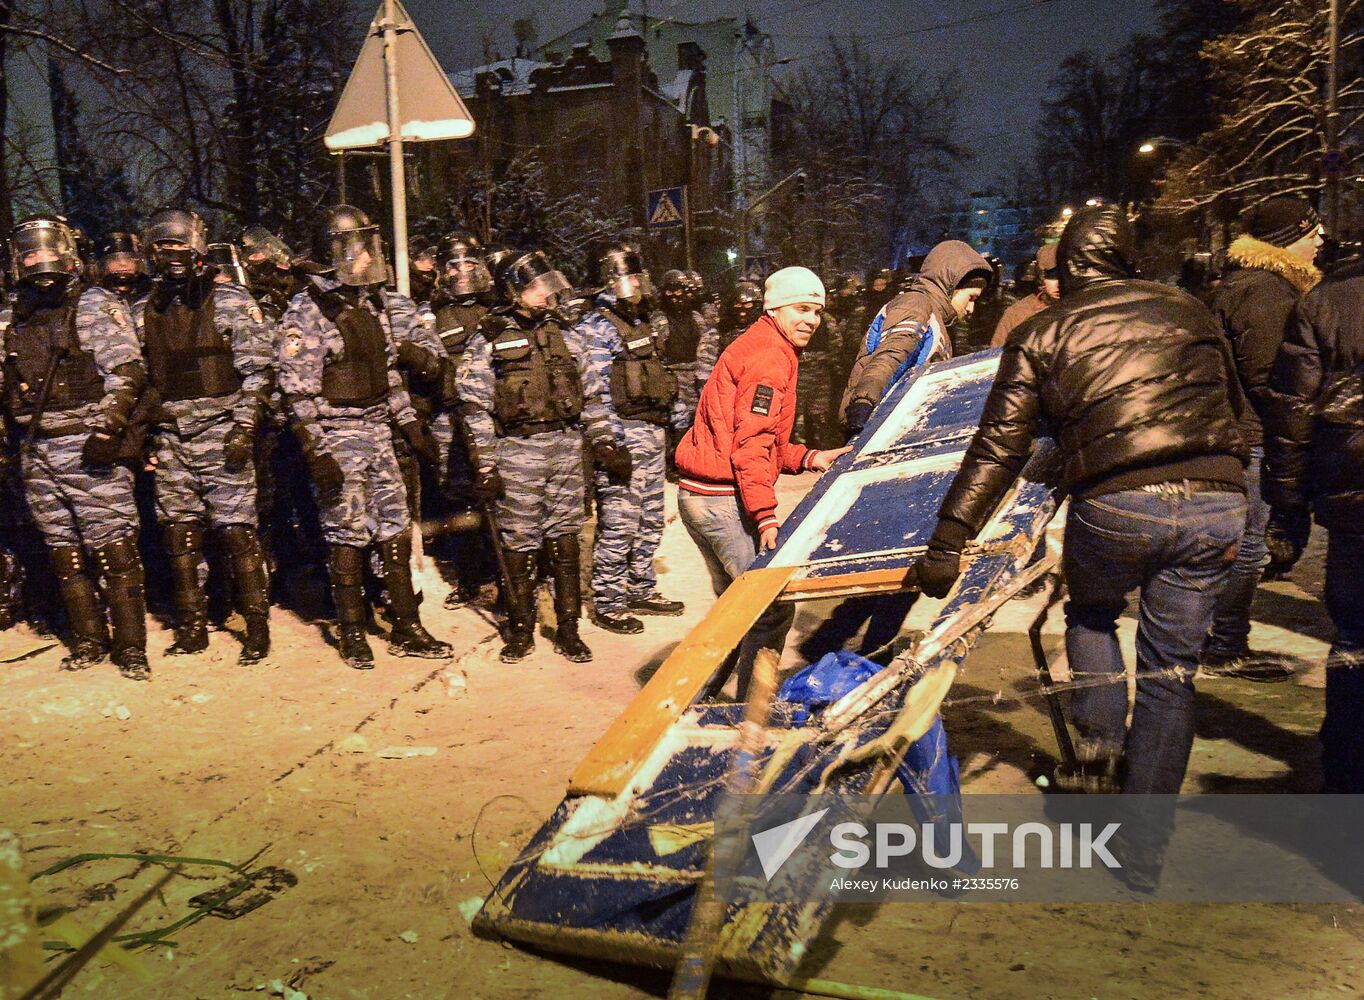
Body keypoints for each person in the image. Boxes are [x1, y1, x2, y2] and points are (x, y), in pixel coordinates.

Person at [908, 206, 1247, 886]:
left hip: (1120, 501)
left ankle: (1098, 755)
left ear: (1066, 270)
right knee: (1171, 671)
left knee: (1092, 611)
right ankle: (1143, 849)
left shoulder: (1044, 331)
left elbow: (998, 446)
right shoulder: (1190, 308)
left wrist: (949, 540)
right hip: (1218, 499)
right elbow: (1234, 404)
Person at [276, 205, 452, 670]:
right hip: (336, 433)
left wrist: (409, 424)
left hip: (377, 430)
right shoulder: (309, 309)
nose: (364, 258)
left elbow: (387, 372)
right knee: (347, 533)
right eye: (355, 250)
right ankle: (352, 630)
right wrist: (317, 450)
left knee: (393, 526)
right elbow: (296, 389)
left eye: (366, 248)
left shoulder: (370, 303)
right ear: (333, 253)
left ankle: (406, 625)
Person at [676, 266, 850, 699]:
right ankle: (749, 713)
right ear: (775, 307)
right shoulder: (770, 357)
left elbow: (757, 439)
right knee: (767, 610)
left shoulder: (763, 344)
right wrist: (766, 515)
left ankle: (694, 699)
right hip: (721, 503)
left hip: (699, 497)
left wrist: (809, 456)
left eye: (817, 311)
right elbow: (751, 446)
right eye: (802, 308)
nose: (812, 319)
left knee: (733, 611)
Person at [455, 249, 627, 664]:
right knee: (519, 544)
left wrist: (604, 442)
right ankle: (520, 629)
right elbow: (474, 408)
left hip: (566, 449)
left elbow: (593, 395)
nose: (542, 294)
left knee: (565, 540)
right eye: (532, 287)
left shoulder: (567, 334)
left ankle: (568, 630)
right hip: (517, 452)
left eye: (543, 285)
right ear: (512, 291)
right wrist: (486, 465)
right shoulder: (489, 339)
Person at [2, 215, 150, 679]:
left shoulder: (93, 304)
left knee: (115, 549)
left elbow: (126, 372)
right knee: (63, 552)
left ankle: (130, 647)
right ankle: (88, 639)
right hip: (35, 448)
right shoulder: (10, 318)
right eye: (29, 253)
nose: (40, 261)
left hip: (87, 444)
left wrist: (107, 431)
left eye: (47, 251)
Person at [134, 208, 275, 664]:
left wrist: (245, 427)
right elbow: (137, 380)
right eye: (163, 246)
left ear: (196, 248)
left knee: (237, 534)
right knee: (179, 537)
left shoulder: (229, 299)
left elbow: (260, 371)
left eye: (179, 244)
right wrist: (142, 440)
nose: (172, 254)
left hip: (223, 432)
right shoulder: (143, 312)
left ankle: (256, 624)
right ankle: (191, 625)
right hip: (172, 440)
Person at [1204, 196, 1323, 680]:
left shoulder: (1253, 285)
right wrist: (1295, 433)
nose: (1321, 238)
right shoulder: (1268, 291)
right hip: (1251, 433)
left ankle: (1218, 638)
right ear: (1286, 238)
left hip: (1241, 430)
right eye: (1312, 229)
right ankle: (1225, 646)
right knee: (1248, 545)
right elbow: (1270, 377)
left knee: (1240, 542)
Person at [1262, 247, 1364, 793]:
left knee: (1353, 636)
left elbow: (1292, 415)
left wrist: (1288, 509)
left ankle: (1346, 779)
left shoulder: (1327, 303)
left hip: (1353, 502)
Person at [577, 242, 685, 634]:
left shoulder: (641, 322)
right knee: (620, 522)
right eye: (630, 274)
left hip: (652, 434)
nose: (637, 282)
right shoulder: (595, 328)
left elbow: (659, 375)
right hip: (625, 436)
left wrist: (677, 422)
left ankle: (640, 586)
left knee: (650, 520)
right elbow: (596, 391)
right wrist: (609, 444)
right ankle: (608, 600)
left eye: (639, 274)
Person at [841, 241, 993, 436]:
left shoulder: (936, 320)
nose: (971, 309)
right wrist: (864, 404)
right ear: (951, 284)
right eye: (971, 298)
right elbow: (891, 354)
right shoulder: (917, 305)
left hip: (894, 428)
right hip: (875, 428)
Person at [991, 243, 1060, 347]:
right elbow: (997, 354)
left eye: (1064, 275)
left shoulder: (1085, 308)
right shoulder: (1018, 313)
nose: (1059, 284)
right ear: (1041, 277)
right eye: (1052, 276)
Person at [96, 233, 150, 304]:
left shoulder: (150, 293)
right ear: (105, 265)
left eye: (129, 259)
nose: (123, 263)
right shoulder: (95, 296)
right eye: (115, 259)